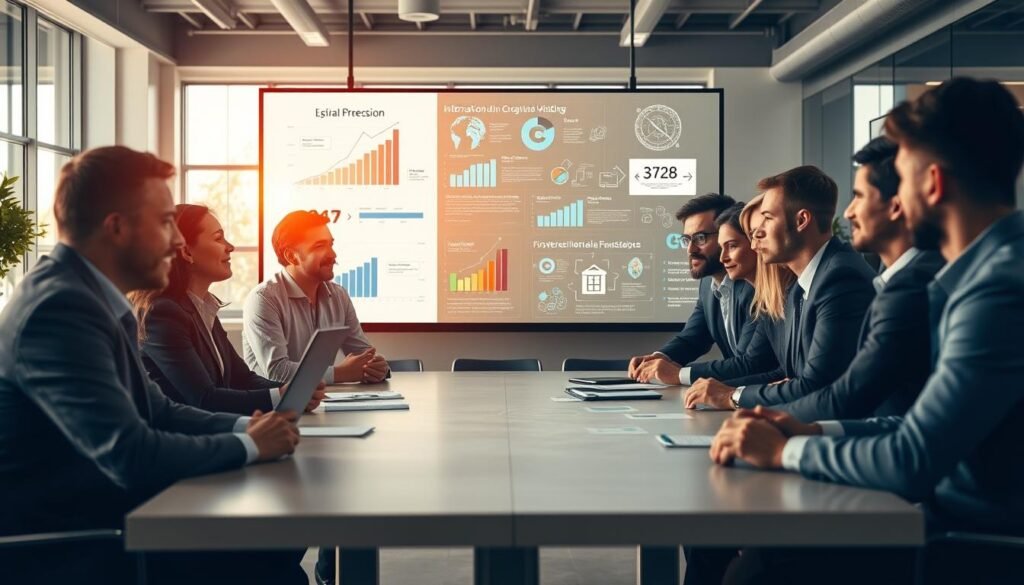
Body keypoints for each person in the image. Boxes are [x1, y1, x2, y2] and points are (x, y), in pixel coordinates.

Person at [710, 77, 1024, 584]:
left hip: (967, 545)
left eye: (901, 175)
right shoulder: (982, 273)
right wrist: (811, 430)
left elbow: (913, 458)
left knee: (759, 570)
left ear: (933, 183)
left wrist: (785, 451)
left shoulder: (998, 290)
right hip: (949, 522)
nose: (859, 209)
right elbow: (913, 424)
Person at [0, 146, 304, 584]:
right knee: (270, 557)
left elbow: (158, 410)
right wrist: (252, 447)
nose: (179, 242)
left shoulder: (95, 299)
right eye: (165, 223)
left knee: (278, 541)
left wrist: (247, 430)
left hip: (115, 516)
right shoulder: (59, 309)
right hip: (77, 546)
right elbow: (130, 454)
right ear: (117, 227)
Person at [242, 209, 389, 584]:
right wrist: (343, 373)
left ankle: (331, 573)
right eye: (321, 246)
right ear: (292, 255)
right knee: (300, 516)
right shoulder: (264, 298)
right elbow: (275, 373)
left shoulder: (336, 295)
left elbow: (363, 353)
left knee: (347, 489)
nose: (333, 254)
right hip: (272, 419)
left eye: (332, 244)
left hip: (321, 416)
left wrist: (376, 368)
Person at [774, 137, 944, 421]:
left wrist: (768, 420)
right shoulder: (896, 279)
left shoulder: (912, 286)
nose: (848, 212)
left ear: (896, 206)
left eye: (860, 196)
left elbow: (849, 397)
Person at [683, 166, 876, 410]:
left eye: (768, 218)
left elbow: (814, 386)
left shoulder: (840, 278)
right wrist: (729, 392)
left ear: (802, 220)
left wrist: (733, 396)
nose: (757, 237)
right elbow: (786, 373)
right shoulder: (800, 288)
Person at [130, 204, 326, 415]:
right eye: (218, 238)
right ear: (186, 251)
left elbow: (242, 379)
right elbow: (204, 399)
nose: (230, 247)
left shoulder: (203, 307)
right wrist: (283, 396)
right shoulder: (162, 314)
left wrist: (292, 391)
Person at [630, 193, 756, 384]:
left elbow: (750, 364)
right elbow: (693, 338)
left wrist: (679, 375)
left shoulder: (755, 286)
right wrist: (659, 358)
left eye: (700, 238)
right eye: (686, 240)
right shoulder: (708, 285)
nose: (690, 250)